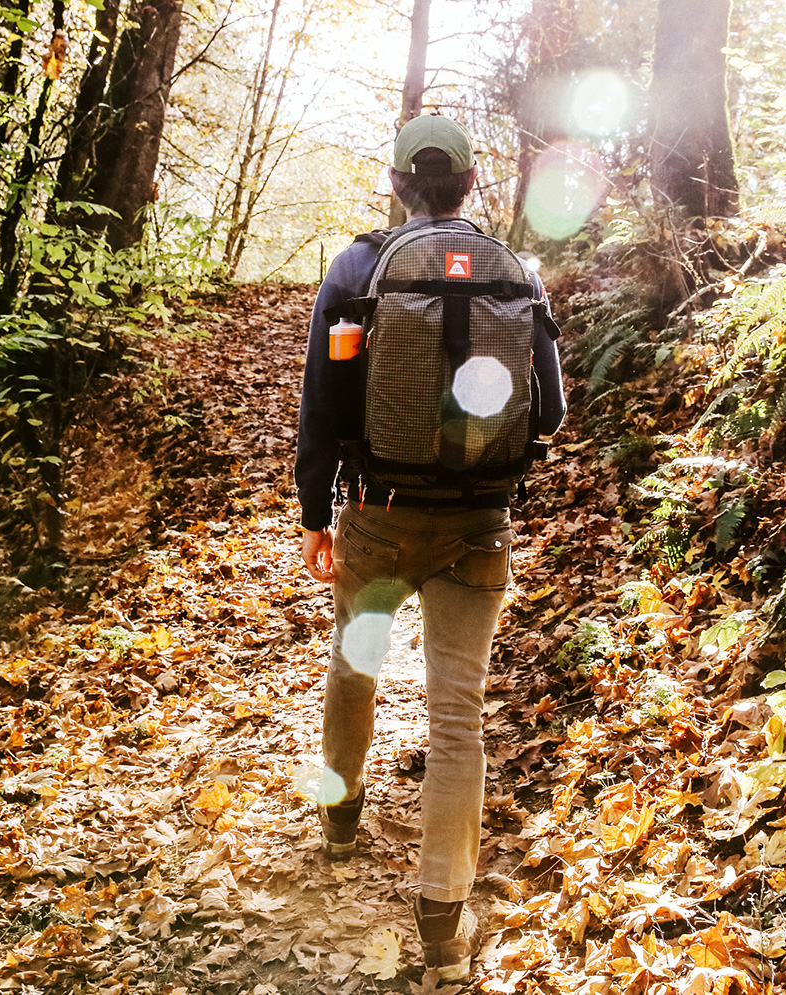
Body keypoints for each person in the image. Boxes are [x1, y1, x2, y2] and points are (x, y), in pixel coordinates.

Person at [294, 114, 566, 980]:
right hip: (478, 522)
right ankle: (444, 923)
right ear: (472, 185)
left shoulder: (356, 267)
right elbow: (550, 412)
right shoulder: (516, 270)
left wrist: (313, 508)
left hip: (376, 515)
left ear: (397, 181)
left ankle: (340, 821)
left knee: (356, 663)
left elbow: (324, 404)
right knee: (458, 717)